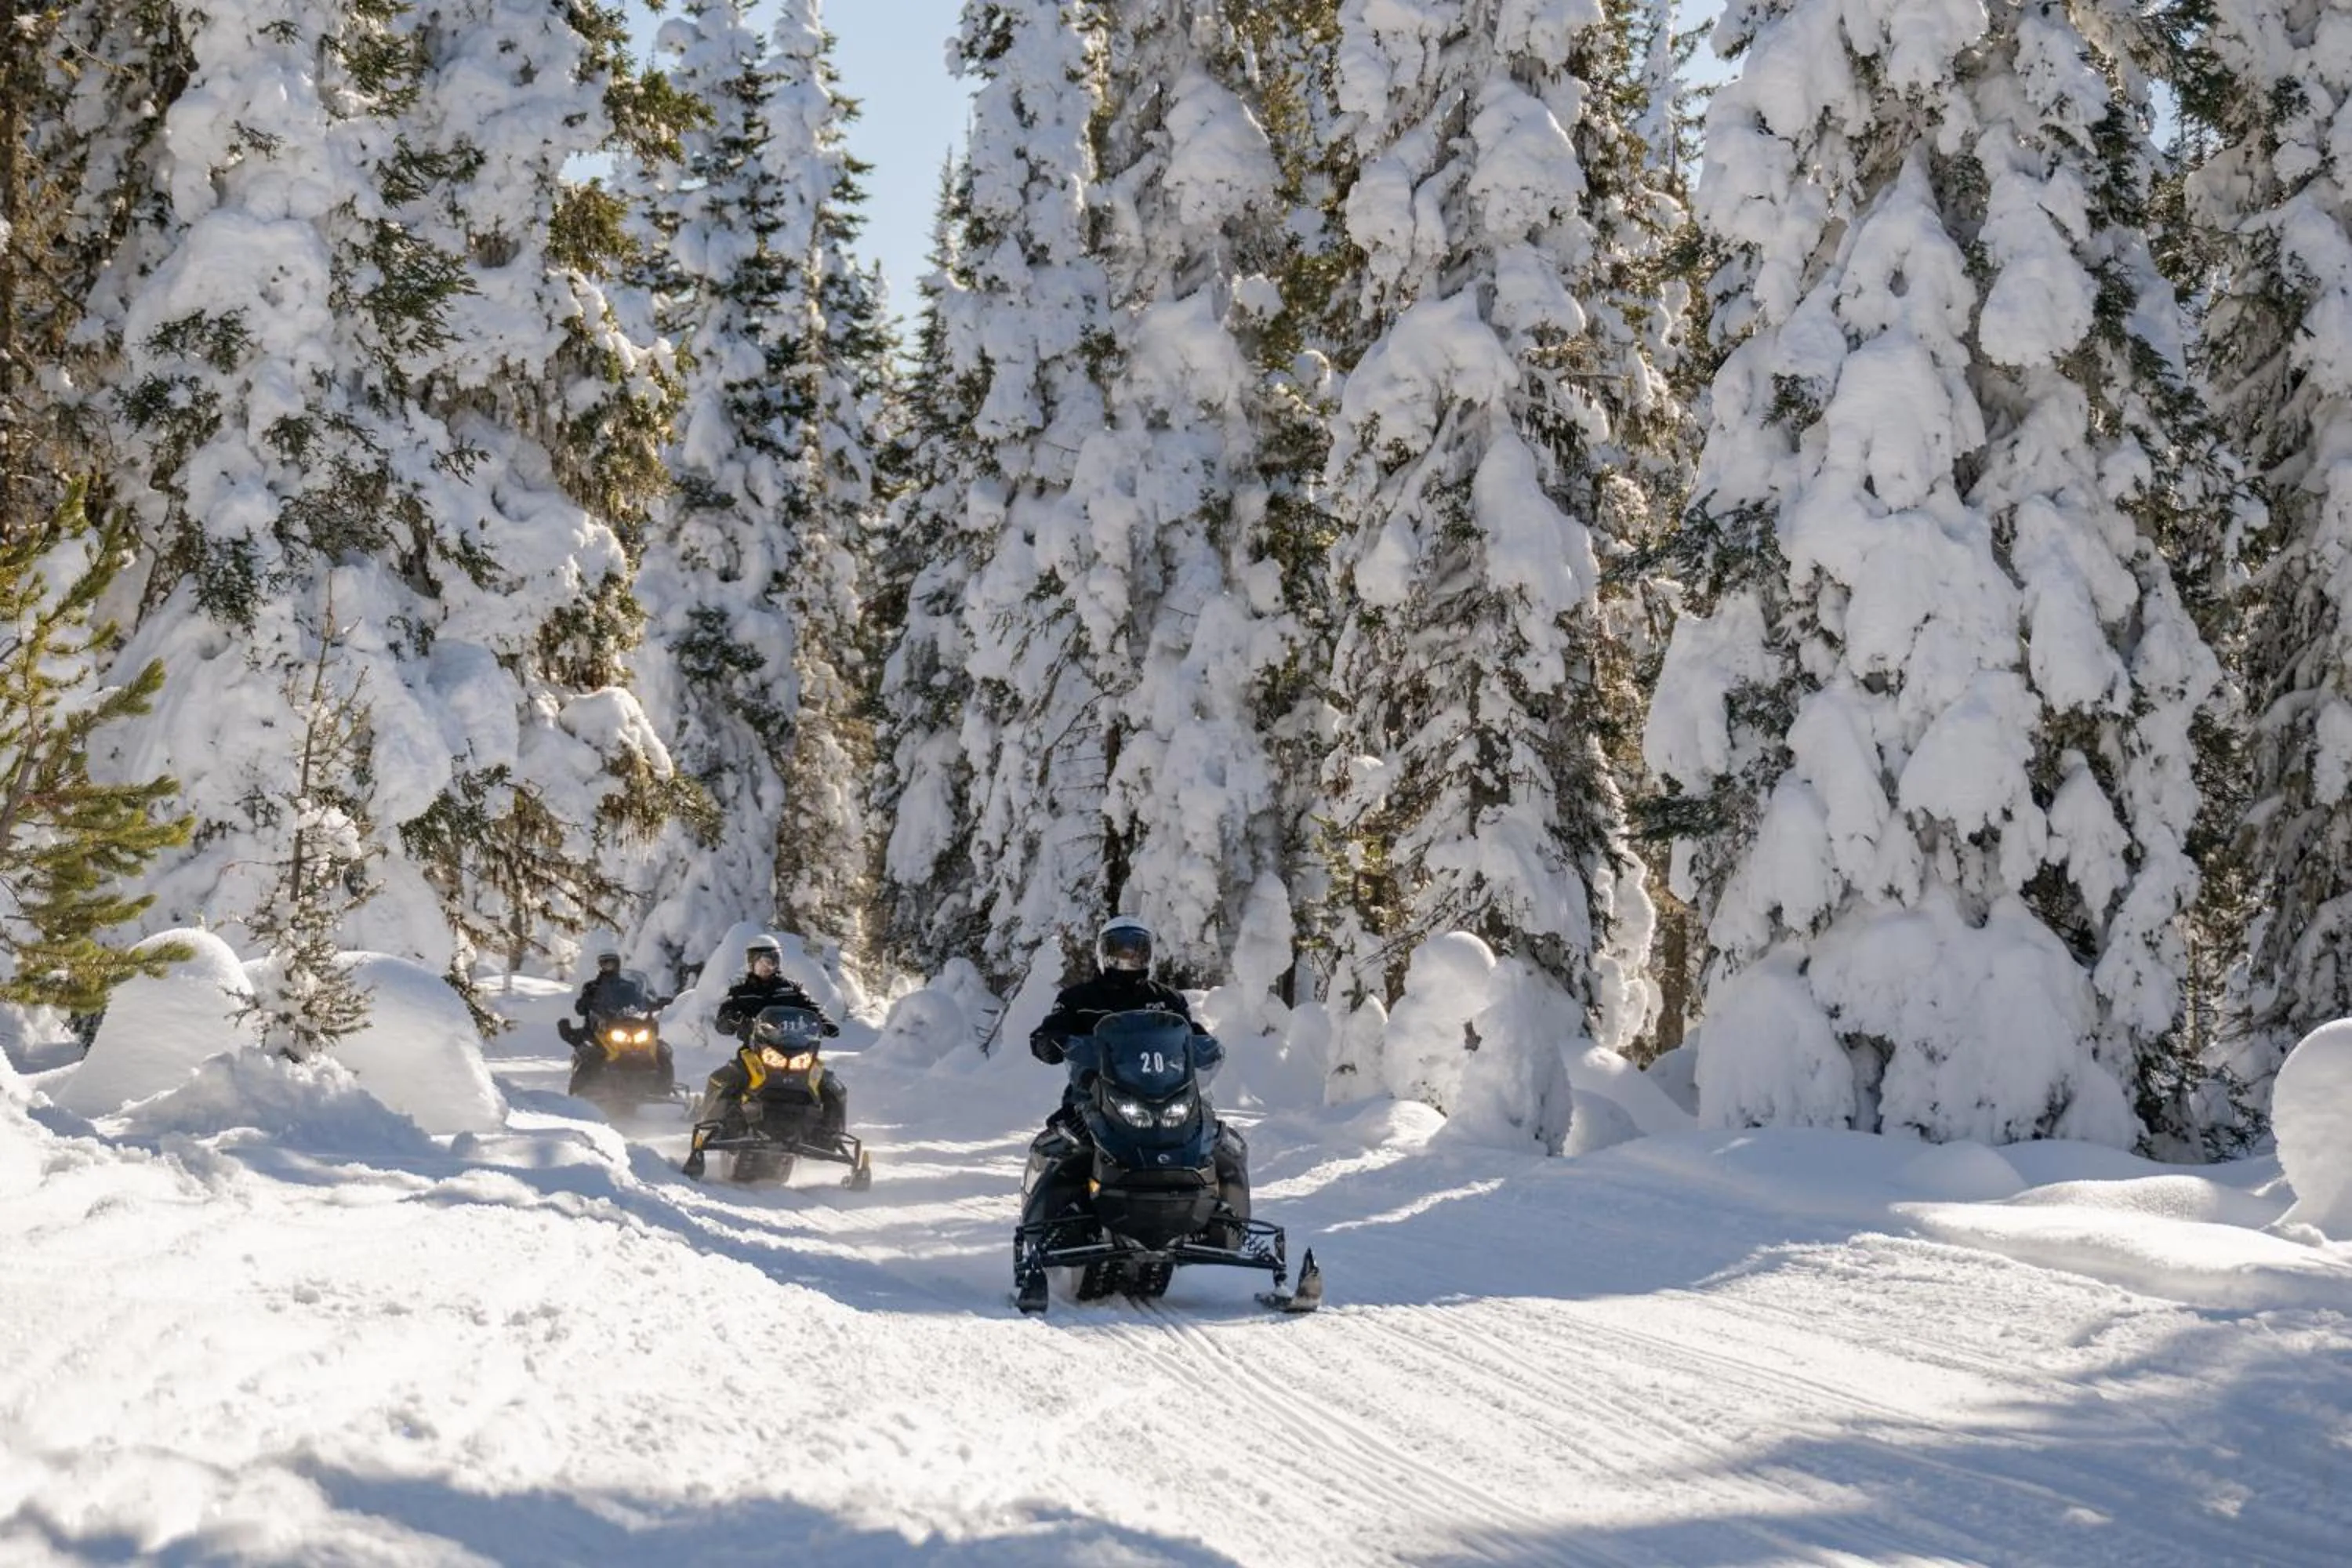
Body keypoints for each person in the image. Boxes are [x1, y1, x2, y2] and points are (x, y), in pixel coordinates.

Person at [1024, 916, 1250, 1246]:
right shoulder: (1080, 999)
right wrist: (1052, 1040)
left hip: (1162, 1097)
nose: (1128, 958)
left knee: (1221, 1144)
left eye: (1136, 950)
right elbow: (1050, 1031)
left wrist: (1206, 1046)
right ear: (1104, 954)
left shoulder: (1167, 1000)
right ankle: (1046, 1232)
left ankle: (1223, 1223)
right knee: (1066, 1147)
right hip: (1096, 1098)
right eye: (1120, 950)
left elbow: (1188, 1033)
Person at [694, 935, 848, 1145]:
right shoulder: (741, 992)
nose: (768, 966)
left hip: (796, 1051)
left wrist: (826, 1023)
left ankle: (830, 1134)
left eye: (773, 960)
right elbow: (725, 1016)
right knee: (726, 1080)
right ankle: (715, 1128)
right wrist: (732, 1020)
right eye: (763, 961)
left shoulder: (790, 989)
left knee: (831, 1086)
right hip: (756, 1052)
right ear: (752, 962)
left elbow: (811, 1008)